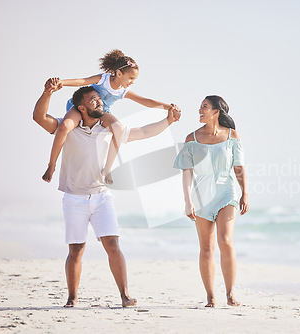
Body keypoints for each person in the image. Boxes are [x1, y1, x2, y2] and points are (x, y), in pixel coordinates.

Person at [33, 78, 181, 307]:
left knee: (112, 244)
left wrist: (168, 121)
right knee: (76, 249)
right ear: (81, 108)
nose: (100, 102)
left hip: (102, 196)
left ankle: (125, 295)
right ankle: (72, 298)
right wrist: (47, 94)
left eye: (100, 99)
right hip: (74, 197)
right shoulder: (68, 126)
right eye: (94, 100)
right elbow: (39, 118)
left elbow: (143, 132)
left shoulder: (109, 130)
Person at [42, 49, 176, 185]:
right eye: (131, 78)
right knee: (64, 126)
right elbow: (82, 81)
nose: (132, 82)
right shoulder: (103, 79)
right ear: (119, 73)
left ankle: (107, 169)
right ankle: (51, 165)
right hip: (84, 107)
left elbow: (145, 101)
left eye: (134, 79)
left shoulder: (123, 91)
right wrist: (61, 83)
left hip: (102, 112)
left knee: (118, 128)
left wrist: (168, 107)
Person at [173, 95, 248, 307]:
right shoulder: (191, 139)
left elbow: (239, 168)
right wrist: (188, 201)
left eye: (204, 107)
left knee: (226, 241)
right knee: (206, 248)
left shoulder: (232, 136)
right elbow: (187, 172)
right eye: (200, 107)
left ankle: (231, 293)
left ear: (216, 112)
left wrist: (245, 193)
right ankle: (210, 296)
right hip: (201, 197)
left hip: (227, 193)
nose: (199, 110)